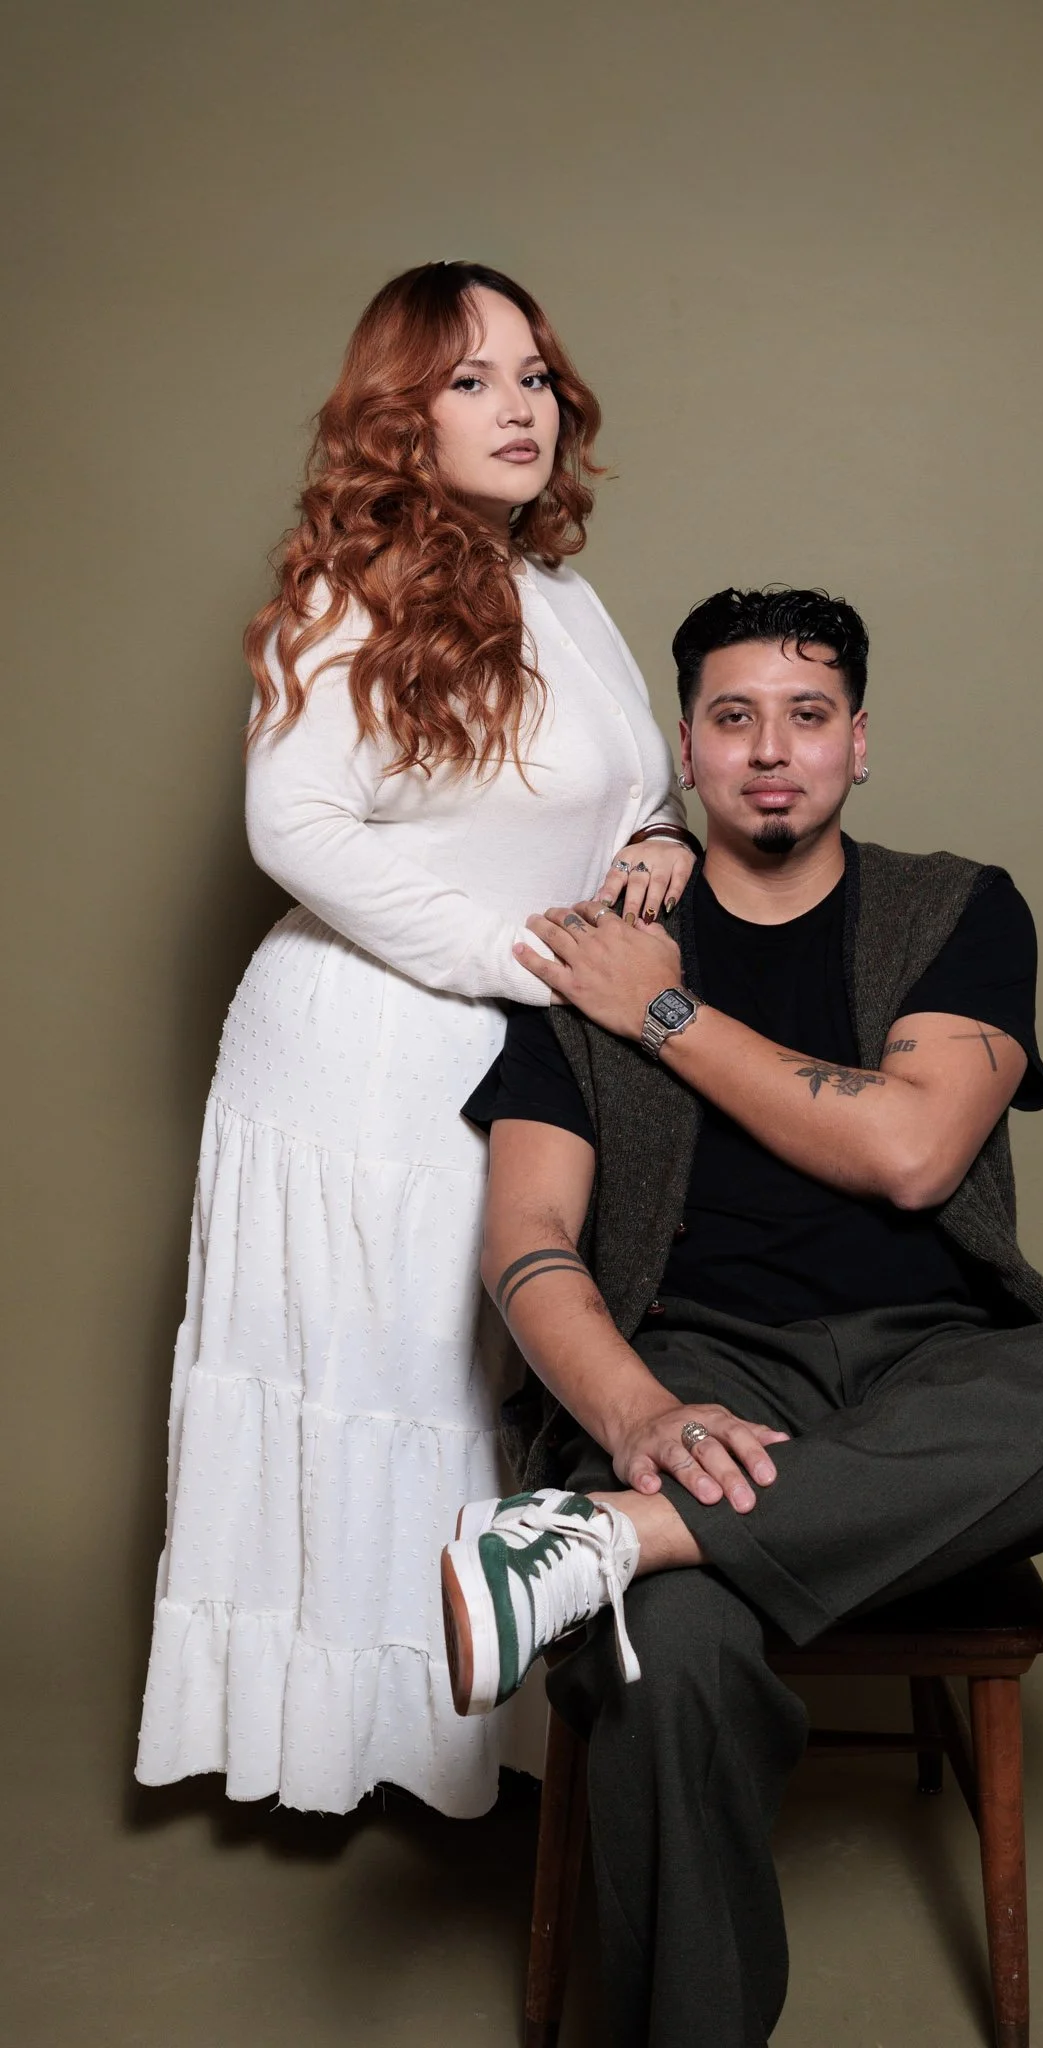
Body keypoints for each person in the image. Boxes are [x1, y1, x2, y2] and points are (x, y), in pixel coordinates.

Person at [445, 586, 1043, 2047]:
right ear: (687, 746)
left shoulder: (957, 908)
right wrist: (637, 1413)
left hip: (934, 1377)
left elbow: (912, 1152)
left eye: (808, 717)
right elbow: (527, 1238)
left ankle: (616, 1538)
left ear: (859, 742)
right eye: (735, 718)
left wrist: (668, 1015)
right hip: (696, 1365)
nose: (772, 752)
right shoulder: (588, 953)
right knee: (668, 1658)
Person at [135, 262, 697, 1818]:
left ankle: (483, 1734)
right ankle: (357, 1746)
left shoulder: (562, 593)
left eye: (533, 376)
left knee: (480, 1377)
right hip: (369, 1050)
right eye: (470, 380)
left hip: (521, 1040)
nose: (519, 408)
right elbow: (294, 825)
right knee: (383, 1381)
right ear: (402, 414)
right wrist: (520, 957)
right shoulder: (350, 593)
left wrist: (660, 842)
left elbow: (616, 791)